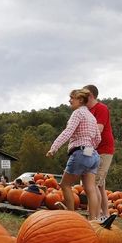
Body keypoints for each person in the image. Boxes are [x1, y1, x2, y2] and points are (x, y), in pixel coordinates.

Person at [46, 88, 101, 219]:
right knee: (90, 189)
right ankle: (93, 220)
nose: (69, 100)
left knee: (65, 184)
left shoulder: (78, 113)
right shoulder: (91, 117)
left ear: (80, 100)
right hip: (93, 155)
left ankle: (72, 217)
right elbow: (98, 138)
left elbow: (68, 132)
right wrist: (90, 148)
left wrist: (53, 148)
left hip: (80, 153)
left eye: (72, 98)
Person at [84, 84, 115, 223]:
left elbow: (98, 130)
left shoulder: (101, 108)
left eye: (83, 95)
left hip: (103, 150)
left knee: (94, 183)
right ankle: (105, 215)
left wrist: (84, 148)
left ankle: (95, 219)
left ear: (90, 95)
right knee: (100, 185)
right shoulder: (87, 111)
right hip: (92, 149)